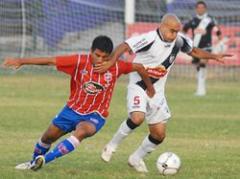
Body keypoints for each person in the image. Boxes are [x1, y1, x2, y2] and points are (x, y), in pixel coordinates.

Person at [95, 14, 231, 173]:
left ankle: (136, 158)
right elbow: (124, 46)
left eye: (177, 31)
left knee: (159, 135)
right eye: (172, 31)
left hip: (157, 92)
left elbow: (193, 50)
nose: (175, 35)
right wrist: (111, 61)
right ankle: (111, 146)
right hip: (138, 86)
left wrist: (214, 56)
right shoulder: (149, 39)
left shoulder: (179, 40)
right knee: (137, 117)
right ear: (162, 27)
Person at [2, 35, 155, 171]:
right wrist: (21, 61)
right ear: (91, 51)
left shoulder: (116, 66)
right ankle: (32, 163)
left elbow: (140, 67)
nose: (100, 60)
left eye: (105, 57)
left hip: (95, 115)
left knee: (82, 131)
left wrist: (150, 88)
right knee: (47, 138)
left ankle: (44, 160)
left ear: (110, 57)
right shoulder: (79, 61)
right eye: (97, 55)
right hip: (71, 110)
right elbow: (50, 61)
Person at [183, 1, 222, 96]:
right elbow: (183, 31)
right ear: (196, 9)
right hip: (195, 48)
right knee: (198, 68)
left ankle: (201, 91)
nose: (200, 9)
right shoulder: (192, 20)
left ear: (205, 9)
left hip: (207, 47)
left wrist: (219, 39)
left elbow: (217, 30)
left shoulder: (209, 19)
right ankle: (200, 88)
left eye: (202, 8)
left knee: (202, 64)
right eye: (198, 7)